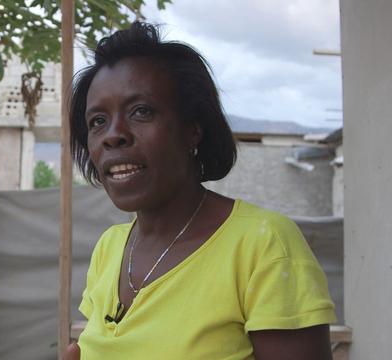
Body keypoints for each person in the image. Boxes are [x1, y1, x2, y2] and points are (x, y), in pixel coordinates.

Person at [64, 21, 336, 360]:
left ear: (193, 130)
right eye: (97, 121)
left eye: (141, 111)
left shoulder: (263, 245)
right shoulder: (109, 248)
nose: (113, 135)